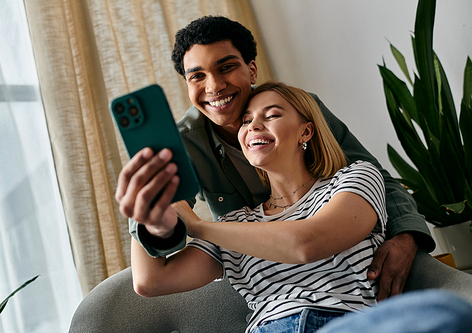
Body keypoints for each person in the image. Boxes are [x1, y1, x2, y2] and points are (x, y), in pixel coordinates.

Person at [115, 15, 435, 301]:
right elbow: (152, 271)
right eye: (197, 76)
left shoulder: (296, 109)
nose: (214, 86)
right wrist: (154, 220)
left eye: (226, 67)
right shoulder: (183, 148)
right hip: (264, 282)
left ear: (251, 69)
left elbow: (371, 176)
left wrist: (406, 235)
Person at [131, 81, 388, 333]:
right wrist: (143, 200)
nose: (253, 125)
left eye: (272, 115)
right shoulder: (236, 224)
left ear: (306, 132)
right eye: (245, 121)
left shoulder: (355, 179)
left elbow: (306, 244)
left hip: (346, 322)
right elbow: (150, 281)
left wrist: (197, 226)